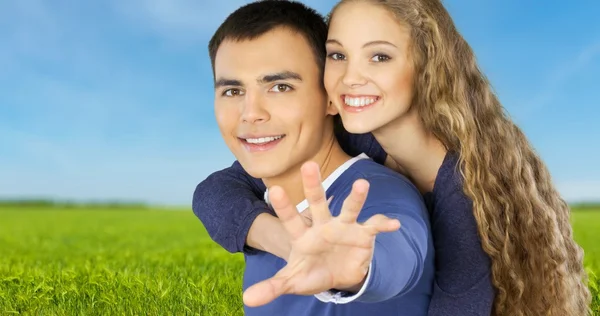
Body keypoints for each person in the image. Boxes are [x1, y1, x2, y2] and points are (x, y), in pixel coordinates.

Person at [194, 0, 592, 315]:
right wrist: (282, 239)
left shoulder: (462, 194)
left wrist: (359, 271)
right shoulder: (358, 136)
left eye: (379, 57)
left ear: (426, 67)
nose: (350, 77)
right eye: (337, 55)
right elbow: (217, 189)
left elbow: (411, 267)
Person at [206, 1, 435, 315]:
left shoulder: (376, 193)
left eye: (280, 86)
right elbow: (212, 193)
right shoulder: (264, 201)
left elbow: (397, 253)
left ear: (330, 97)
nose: (251, 114)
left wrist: (359, 269)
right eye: (233, 91)